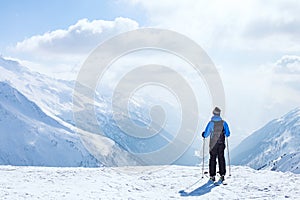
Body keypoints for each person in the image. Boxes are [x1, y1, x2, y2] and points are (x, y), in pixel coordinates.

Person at [202, 107, 230, 182]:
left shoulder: (211, 123)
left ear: (213, 113)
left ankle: (212, 175)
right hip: (221, 143)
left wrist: (203, 134)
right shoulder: (224, 123)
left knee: (213, 158)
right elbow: (228, 134)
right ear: (219, 113)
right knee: (221, 158)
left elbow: (206, 134)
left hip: (213, 144)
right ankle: (222, 174)